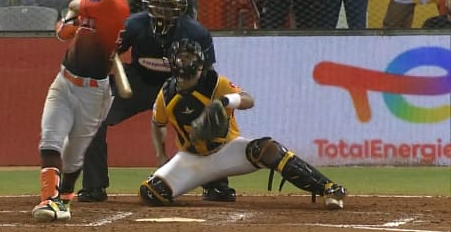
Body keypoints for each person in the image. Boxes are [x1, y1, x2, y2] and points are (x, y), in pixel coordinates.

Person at [139, 38, 348, 210]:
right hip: (192, 158)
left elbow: (248, 99)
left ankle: (330, 188)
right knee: (152, 191)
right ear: (173, 62)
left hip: (227, 149)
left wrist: (226, 101)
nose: (187, 62)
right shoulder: (166, 94)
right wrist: (161, 156)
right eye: (182, 57)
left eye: (191, 57)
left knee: (268, 150)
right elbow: (157, 123)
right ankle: (215, 187)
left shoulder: (214, 82)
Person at [78, 0, 237, 204]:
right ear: (148, 8)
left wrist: (201, 104)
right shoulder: (133, 25)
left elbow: (206, 73)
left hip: (179, 85)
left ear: (179, 9)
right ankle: (93, 187)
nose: (162, 13)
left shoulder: (196, 32)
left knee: (206, 123)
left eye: (168, 7)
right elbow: (108, 53)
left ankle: (217, 185)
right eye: (158, 7)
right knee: (93, 120)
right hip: (138, 82)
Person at [31, 0, 135, 222]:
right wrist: (72, 26)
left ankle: (64, 198)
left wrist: (73, 23)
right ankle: (49, 201)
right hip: (65, 80)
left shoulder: (115, 4)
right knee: (50, 139)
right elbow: (61, 32)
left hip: (94, 92)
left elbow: (75, 5)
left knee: (74, 154)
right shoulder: (99, 0)